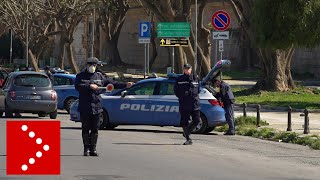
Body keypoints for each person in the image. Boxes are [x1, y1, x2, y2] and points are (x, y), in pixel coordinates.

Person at [75, 57, 133, 156]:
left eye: (94, 65)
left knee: (95, 128)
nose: (92, 67)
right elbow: (78, 86)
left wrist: (125, 85)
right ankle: (86, 149)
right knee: (85, 128)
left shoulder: (100, 76)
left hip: (97, 106)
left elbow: (112, 84)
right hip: (85, 107)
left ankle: (93, 149)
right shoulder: (81, 76)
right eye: (90, 65)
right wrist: (89, 86)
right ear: (87, 65)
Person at [174, 64, 200, 145]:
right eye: (186, 69)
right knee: (185, 122)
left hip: (195, 103)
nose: (187, 70)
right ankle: (188, 138)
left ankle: (187, 132)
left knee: (197, 120)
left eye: (189, 69)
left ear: (191, 69)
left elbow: (198, 89)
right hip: (184, 103)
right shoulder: (180, 79)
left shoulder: (196, 78)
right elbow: (176, 91)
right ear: (184, 70)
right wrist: (183, 97)